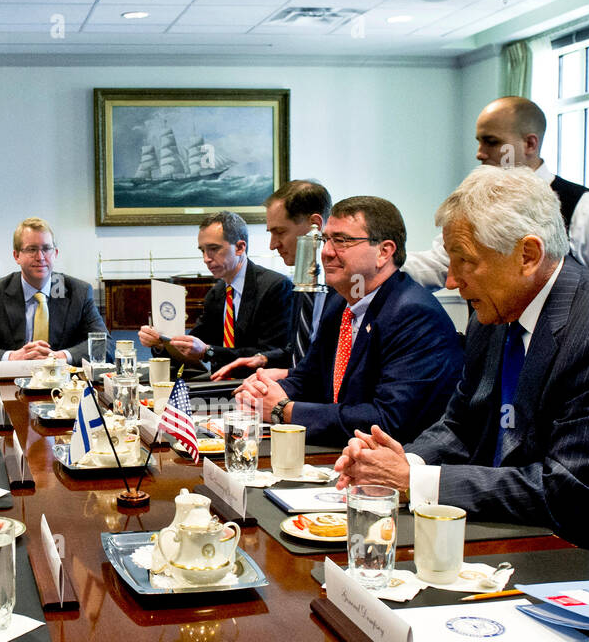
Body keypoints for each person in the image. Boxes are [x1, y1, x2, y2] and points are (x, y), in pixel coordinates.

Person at [335, 166, 589, 556]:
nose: (452, 281)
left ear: (528, 255)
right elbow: (461, 423)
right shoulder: (494, 312)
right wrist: (401, 460)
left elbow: (568, 488)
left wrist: (416, 481)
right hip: (514, 527)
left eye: (464, 261)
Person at [234, 196, 462, 447]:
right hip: (339, 450)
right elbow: (309, 378)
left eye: (342, 241)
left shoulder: (414, 315)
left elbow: (386, 421)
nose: (327, 252)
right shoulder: (341, 301)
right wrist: (262, 392)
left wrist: (284, 410)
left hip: (394, 467)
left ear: (384, 252)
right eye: (326, 239)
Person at [404, 96, 589, 304]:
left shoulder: (584, 208)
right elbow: (439, 264)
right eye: (479, 141)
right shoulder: (477, 207)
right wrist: (375, 267)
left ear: (530, 143)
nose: (480, 153)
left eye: (492, 142)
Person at [139, 210, 294, 377]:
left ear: (240, 248)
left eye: (213, 249)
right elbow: (191, 345)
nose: (206, 258)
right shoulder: (217, 293)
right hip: (220, 385)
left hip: (258, 386)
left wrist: (208, 351)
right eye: (202, 251)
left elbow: (270, 355)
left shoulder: (275, 287)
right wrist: (160, 343)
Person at [213, 181, 332, 380]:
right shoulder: (302, 283)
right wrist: (263, 359)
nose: (272, 245)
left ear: (315, 225)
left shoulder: (345, 290)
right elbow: (298, 350)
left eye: (280, 232)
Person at [0, 216, 111, 364]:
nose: (40, 257)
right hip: (11, 383)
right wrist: (12, 357)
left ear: (55, 253)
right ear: (16, 255)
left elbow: (105, 345)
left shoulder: (79, 292)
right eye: (31, 249)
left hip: (65, 385)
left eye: (46, 249)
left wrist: (61, 357)